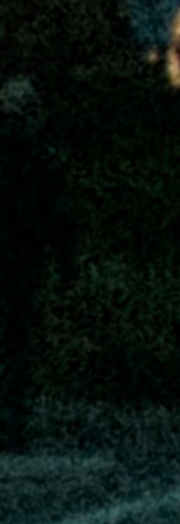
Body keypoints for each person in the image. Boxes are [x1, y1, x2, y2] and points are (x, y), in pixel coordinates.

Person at [0, 76, 64, 456]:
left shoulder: (36, 155)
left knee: (12, 342)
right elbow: (52, 213)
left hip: (18, 257)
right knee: (14, 343)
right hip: (22, 258)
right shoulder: (40, 155)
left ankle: (10, 422)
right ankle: (11, 423)